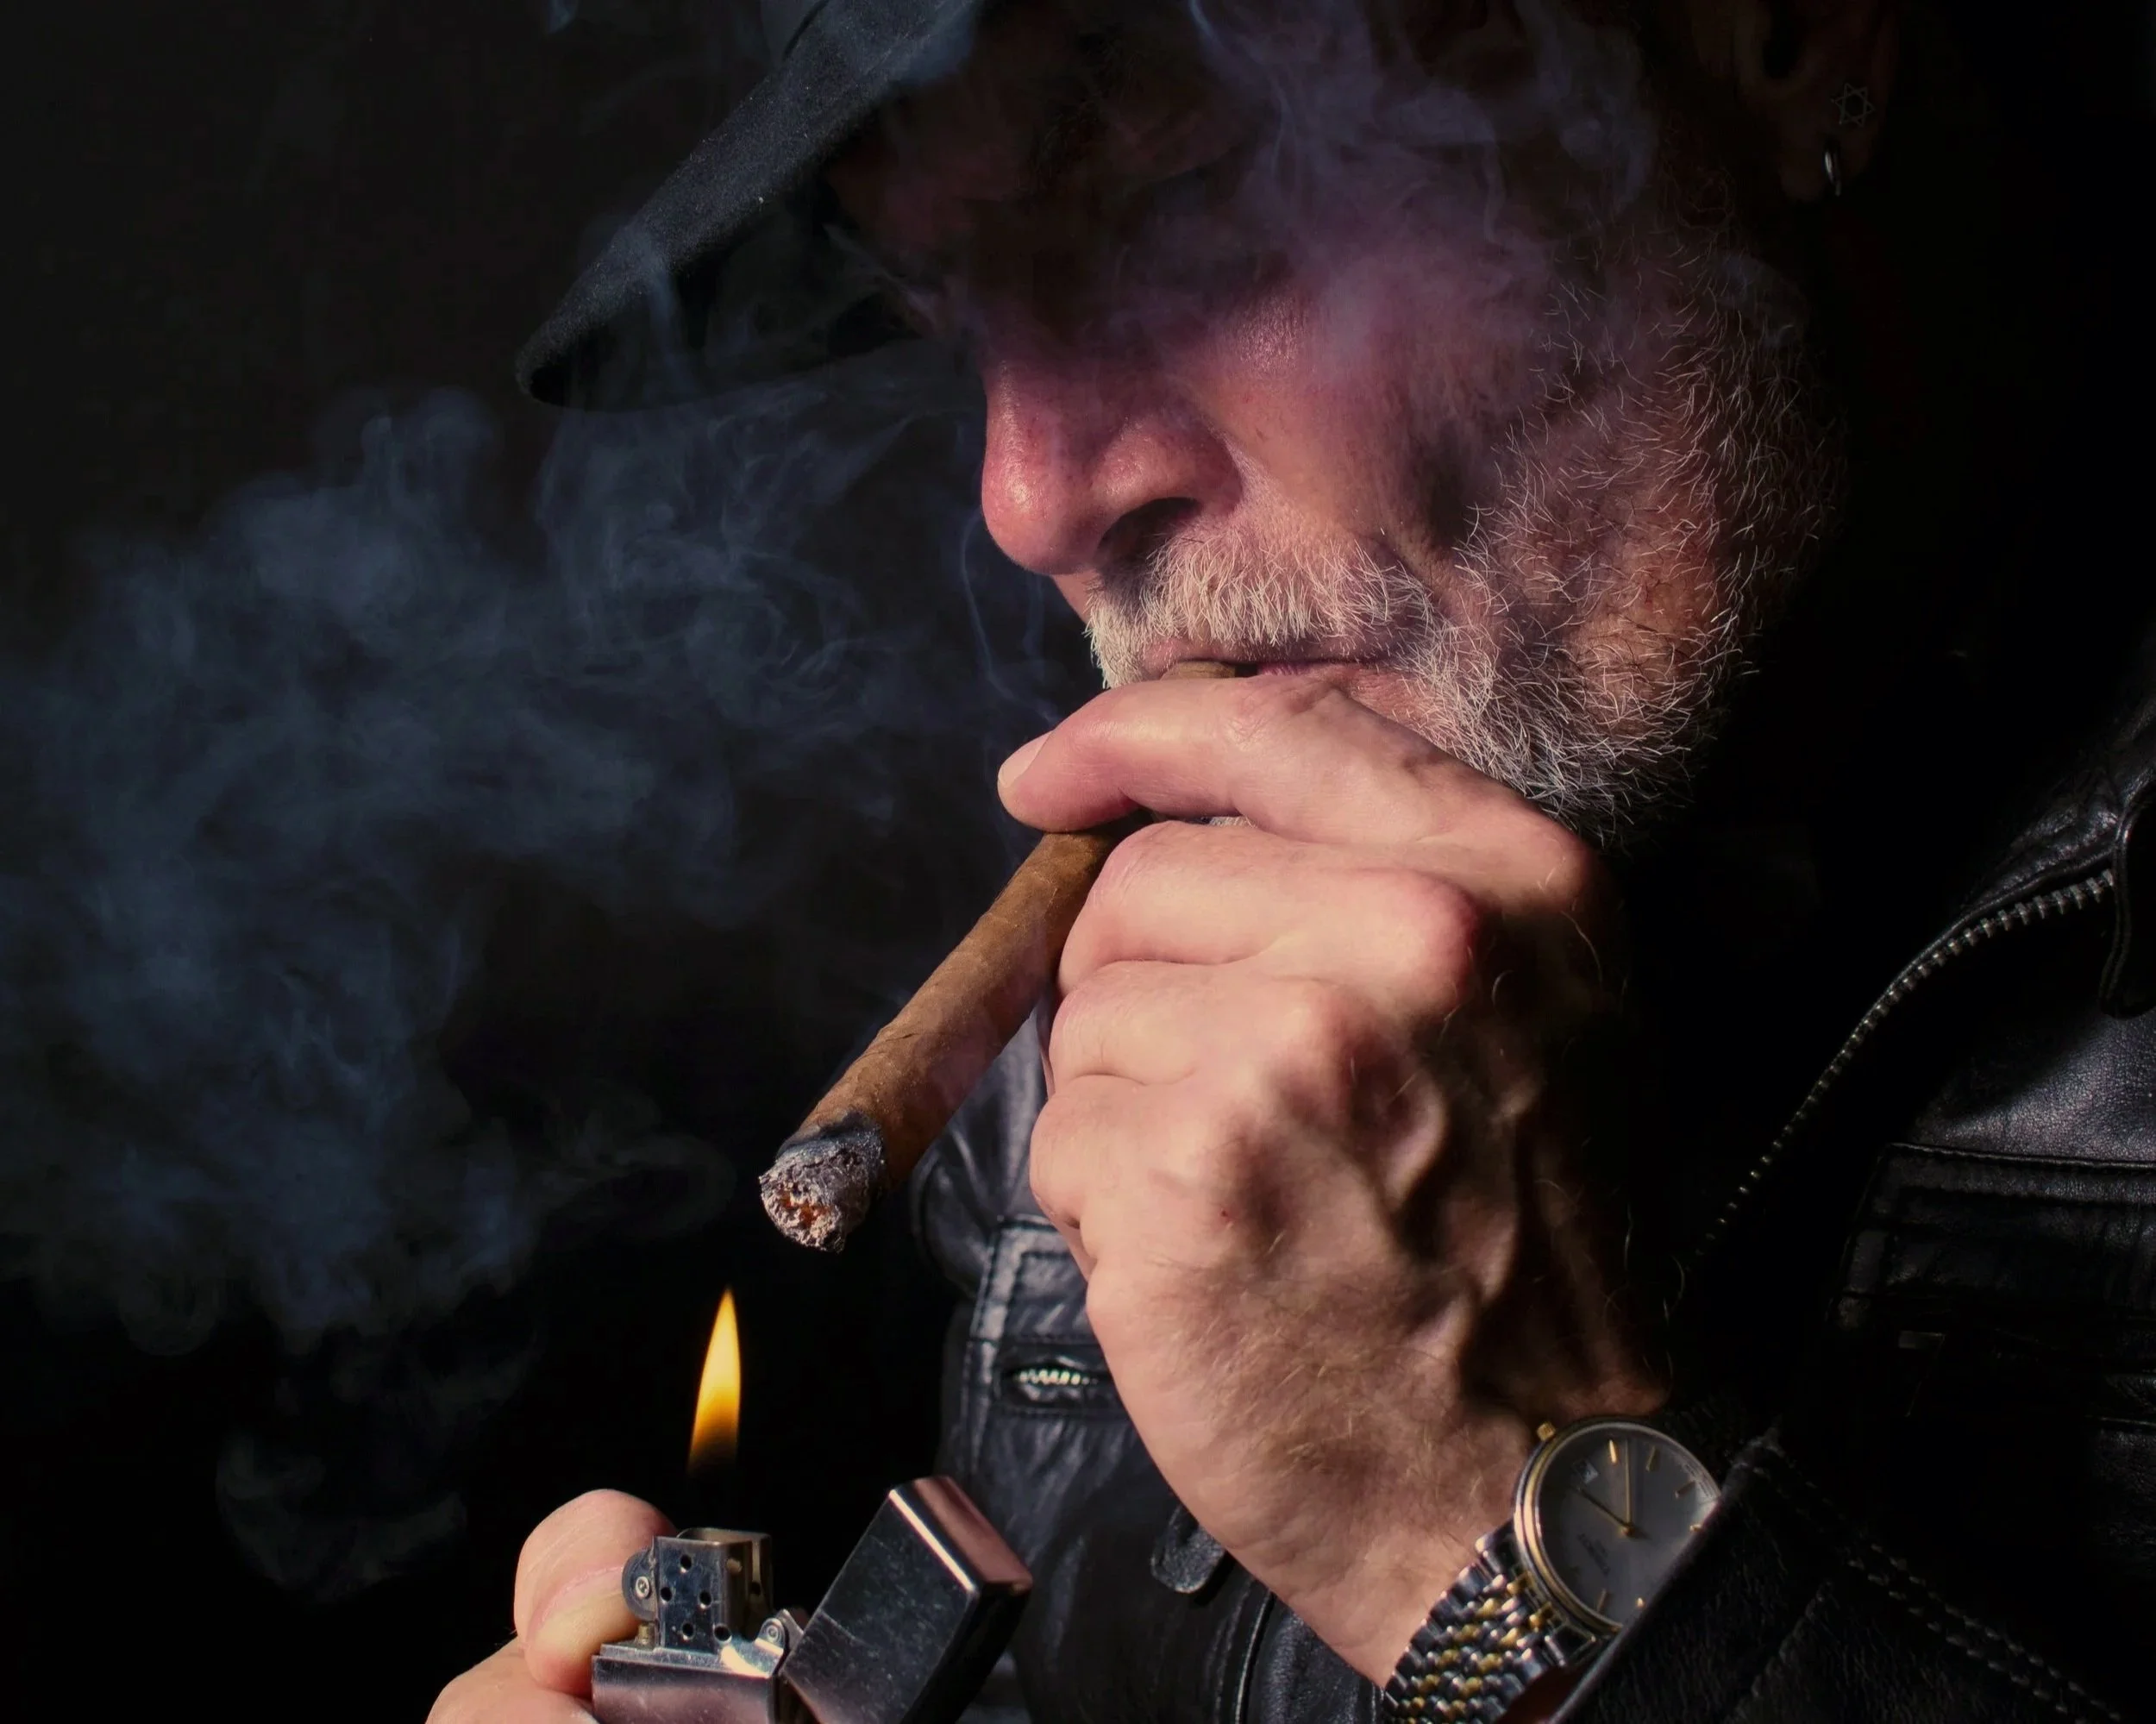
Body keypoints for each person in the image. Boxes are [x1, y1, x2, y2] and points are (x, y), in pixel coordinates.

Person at [436, 0, 2154, 1717]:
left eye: (1174, 205)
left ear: (1776, 38)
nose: (1029, 499)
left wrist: (1497, 1529)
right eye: (949, 314)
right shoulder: (1108, 1053)